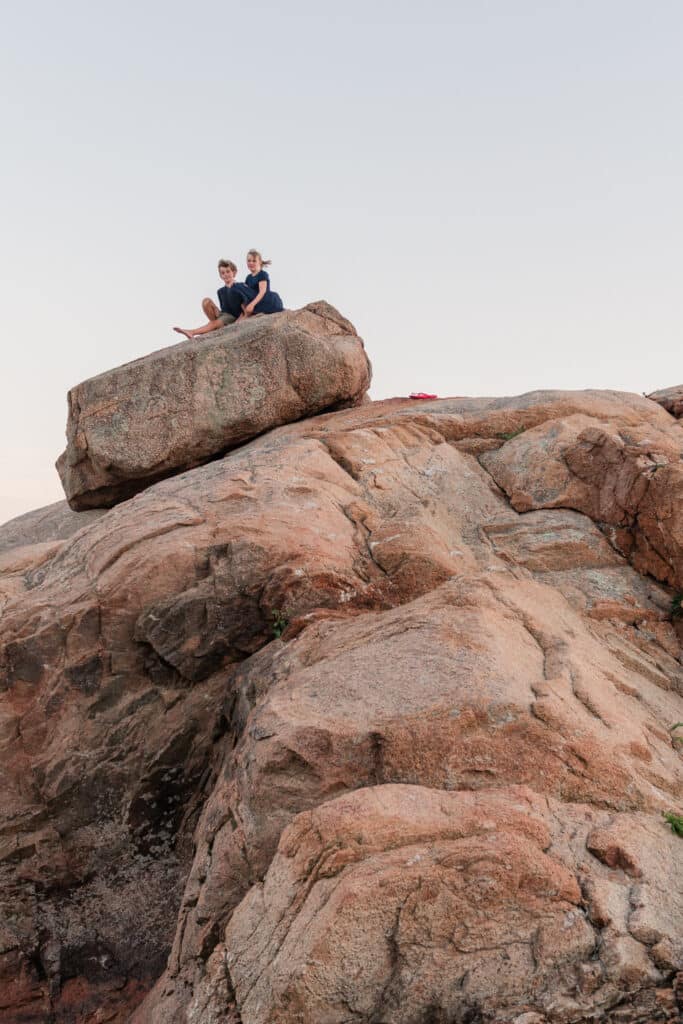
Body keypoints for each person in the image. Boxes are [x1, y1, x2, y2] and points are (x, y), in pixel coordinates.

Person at [173, 260, 255, 340]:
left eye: (228, 271)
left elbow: (245, 308)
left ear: (234, 272)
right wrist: (217, 314)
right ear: (220, 276)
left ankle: (192, 332)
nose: (226, 274)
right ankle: (213, 326)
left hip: (233, 318)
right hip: (224, 315)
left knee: (220, 320)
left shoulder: (239, 286)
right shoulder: (220, 291)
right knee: (206, 301)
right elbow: (224, 308)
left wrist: (238, 322)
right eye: (223, 273)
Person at [241, 249, 284, 317]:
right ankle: (243, 315)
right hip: (254, 299)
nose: (251, 263)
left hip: (265, 299)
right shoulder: (248, 277)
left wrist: (252, 305)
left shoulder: (262, 274)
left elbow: (262, 292)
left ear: (260, 262)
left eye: (254, 261)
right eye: (249, 261)